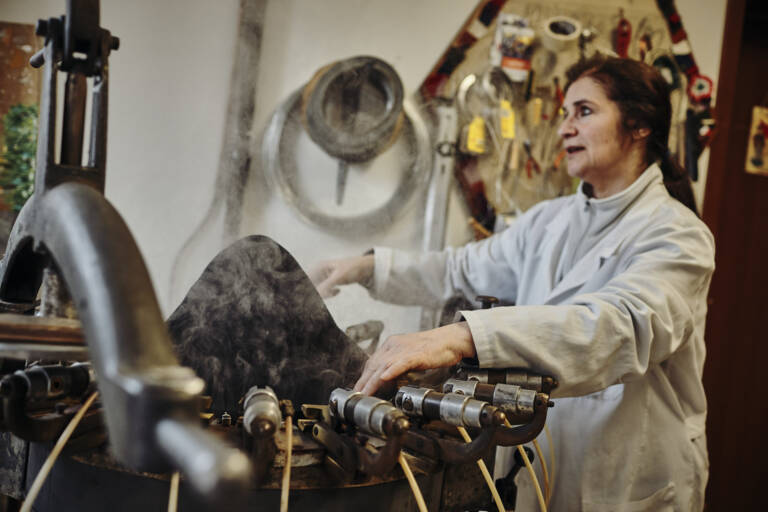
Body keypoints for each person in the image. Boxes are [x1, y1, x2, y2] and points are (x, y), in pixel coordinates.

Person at [309, 54, 714, 511]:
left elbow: (619, 327)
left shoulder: (679, 235)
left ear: (639, 125)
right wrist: (365, 267)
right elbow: (459, 267)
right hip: (543, 464)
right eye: (563, 114)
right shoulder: (549, 220)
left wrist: (463, 337)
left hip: (628, 481)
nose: (564, 129)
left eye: (583, 111)